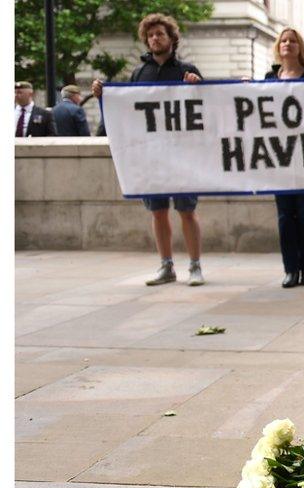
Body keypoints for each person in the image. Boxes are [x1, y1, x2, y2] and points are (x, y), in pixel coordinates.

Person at [92, 13, 205, 286]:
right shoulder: (138, 73)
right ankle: (166, 266)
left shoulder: (186, 70)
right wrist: (103, 95)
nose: (155, 38)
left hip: (181, 155)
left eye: (160, 34)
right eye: (151, 35)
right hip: (150, 155)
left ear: (171, 39)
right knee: (157, 211)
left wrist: (196, 86)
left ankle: (195, 265)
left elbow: (205, 106)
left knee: (186, 210)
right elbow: (127, 110)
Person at [265, 28, 304, 288]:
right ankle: (290, 269)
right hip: (280, 155)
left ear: (300, 47)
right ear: (278, 47)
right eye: (284, 41)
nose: (287, 44)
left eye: (292, 41)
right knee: (285, 216)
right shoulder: (269, 79)